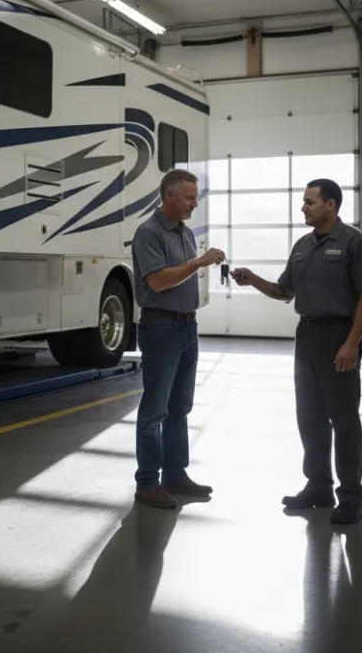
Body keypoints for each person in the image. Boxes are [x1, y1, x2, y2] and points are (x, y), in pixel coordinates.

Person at [232, 178, 362, 524]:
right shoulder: (301, 247)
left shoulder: (354, 242)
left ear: (331, 204)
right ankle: (318, 487)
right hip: (307, 338)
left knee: (343, 421)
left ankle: (351, 499)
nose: (303, 207)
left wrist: (351, 343)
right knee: (310, 418)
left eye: (310, 202)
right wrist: (253, 279)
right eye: (304, 202)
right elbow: (285, 292)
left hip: (338, 338)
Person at [130, 169, 225, 509]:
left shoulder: (184, 233)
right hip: (160, 330)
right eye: (188, 198)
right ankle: (147, 483)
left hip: (186, 328)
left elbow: (182, 276)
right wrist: (199, 261)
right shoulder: (149, 233)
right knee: (155, 409)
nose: (193, 204)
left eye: (194, 198)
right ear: (168, 196)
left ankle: (175, 475)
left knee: (179, 408)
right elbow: (157, 281)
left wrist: (198, 260)